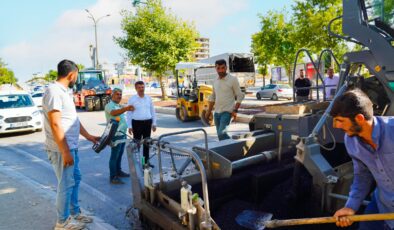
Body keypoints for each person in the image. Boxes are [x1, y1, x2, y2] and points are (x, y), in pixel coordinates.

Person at [43, 60, 100, 230]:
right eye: (76, 75)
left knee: (75, 179)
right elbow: (55, 124)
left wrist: (88, 136)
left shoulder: (65, 92)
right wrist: (65, 151)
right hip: (62, 149)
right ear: (72, 74)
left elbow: (72, 120)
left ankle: (75, 213)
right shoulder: (54, 92)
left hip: (71, 146)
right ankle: (62, 222)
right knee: (66, 184)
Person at [330, 89, 394, 230]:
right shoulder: (351, 141)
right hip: (382, 204)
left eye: (339, 120)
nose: (335, 126)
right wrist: (350, 206)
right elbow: (362, 176)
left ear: (359, 118)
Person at [206, 59, 244, 140]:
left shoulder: (233, 79)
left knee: (221, 134)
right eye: (218, 68)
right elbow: (213, 96)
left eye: (223, 68)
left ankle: (234, 146)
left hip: (227, 112)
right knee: (220, 136)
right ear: (215, 68)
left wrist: (235, 110)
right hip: (216, 113)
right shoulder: (215, 80)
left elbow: (240, 95)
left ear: (226, 68)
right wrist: (208, 111)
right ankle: (226, 151)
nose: (220, 70)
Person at [104, 88, 134, 184]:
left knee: (120, 154)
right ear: (112, 95)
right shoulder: (109, 105)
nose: (119, 96)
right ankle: (113, 177)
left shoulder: (118, 105)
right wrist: (126, 108)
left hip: (122, 134)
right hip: (115, 135)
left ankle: (118, 171)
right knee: (114, 156)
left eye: (120, 94)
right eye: (117, 94)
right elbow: (113, 113)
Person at [127, 81, 157, 167]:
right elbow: (129, 113)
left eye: (142, 87)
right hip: (136, 124)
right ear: (136, 88)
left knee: (146, 144)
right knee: (137, 145)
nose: (141, 89)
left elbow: (152, 111)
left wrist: (154, 123)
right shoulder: (132, 99)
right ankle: (136, 164)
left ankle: (145, 163)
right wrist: (129, 126)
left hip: (147, 123)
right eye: (139, 87)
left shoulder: (148, 98)